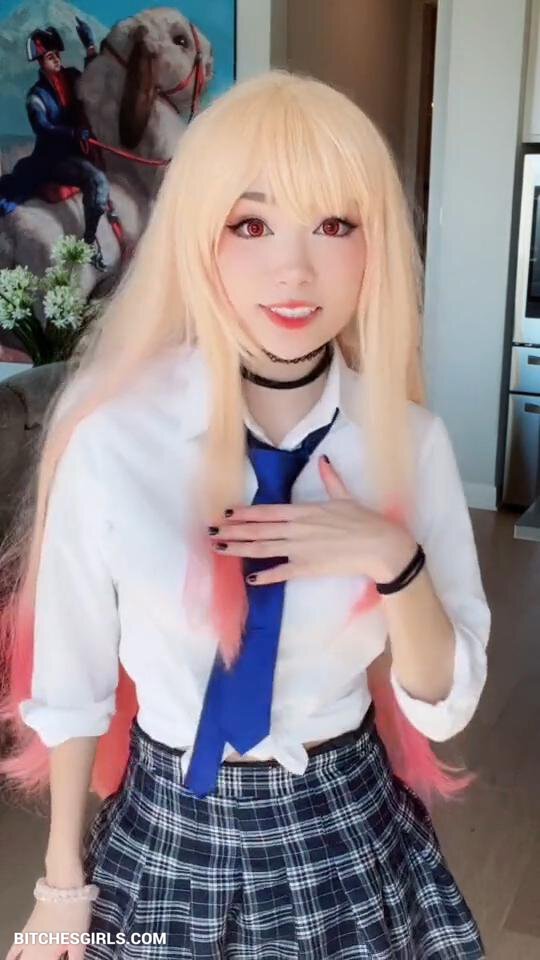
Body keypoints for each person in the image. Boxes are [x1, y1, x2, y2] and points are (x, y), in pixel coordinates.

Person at [0, 70, 490, 959]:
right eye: (252, 225)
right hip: (165, 834)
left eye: (335, 225)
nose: (295, 270)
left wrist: (396, 559)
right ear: (199, 238)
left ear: (375, 244)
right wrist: (60, 885)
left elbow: (444, 709)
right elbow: (72, 679)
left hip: (346, 831)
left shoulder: (409, 442)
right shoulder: (111, 435)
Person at [0, 22, 110, 271]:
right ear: (41, 62)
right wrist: (73, 133)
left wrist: (90, 47)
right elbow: (43, 127)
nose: (57, 60)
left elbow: (93, 83)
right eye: (51, 57)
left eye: (57, 55)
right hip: (53, 159)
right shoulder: (36, 95)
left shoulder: (71, 76)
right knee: (98, 181)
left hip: (80, 151)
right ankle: (88, 244)